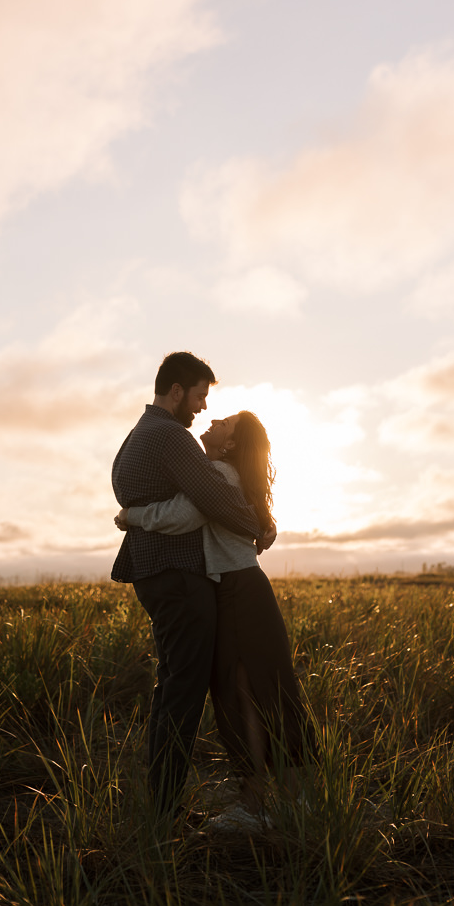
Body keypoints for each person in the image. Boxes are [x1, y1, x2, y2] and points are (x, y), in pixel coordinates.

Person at [117, 410, 308, 833]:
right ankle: (289, 803)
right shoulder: (223, 474)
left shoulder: (218, 474)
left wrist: (132, 516)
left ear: (231, 444)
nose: (214, 421)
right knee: (259, 691)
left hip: (237, 590)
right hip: (242, 588)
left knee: (243, 694)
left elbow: (182, 516)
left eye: (225, 423)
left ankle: (258, 805)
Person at [111, 352, 269, 822]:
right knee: (183, 690)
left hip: (157, 573)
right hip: (178, 575)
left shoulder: (139, 434)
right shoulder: (171, 436)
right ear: (176, 391)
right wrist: (260, 526)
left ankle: (162, 803)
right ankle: (165, 809)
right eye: (199, 396)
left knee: (172, 686)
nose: (202, 406)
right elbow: (212, 497)